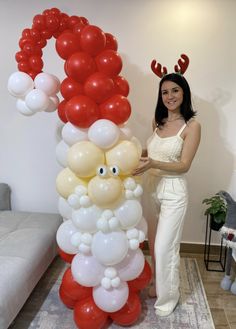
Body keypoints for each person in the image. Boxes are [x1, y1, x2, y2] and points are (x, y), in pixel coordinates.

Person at [132, 70, 201, 317]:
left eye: (175, 90)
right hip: (151, 188)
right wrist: (129, 152)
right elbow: (150, 152)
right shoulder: (157, 122)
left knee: (165, 247)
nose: (169, 96)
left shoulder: (192, 126)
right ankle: (157, 285)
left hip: (173, 190)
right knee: (152, 243)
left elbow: (184, 165)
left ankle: (168, 299)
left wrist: (151, 164)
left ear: (184, 93)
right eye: (164, 92)